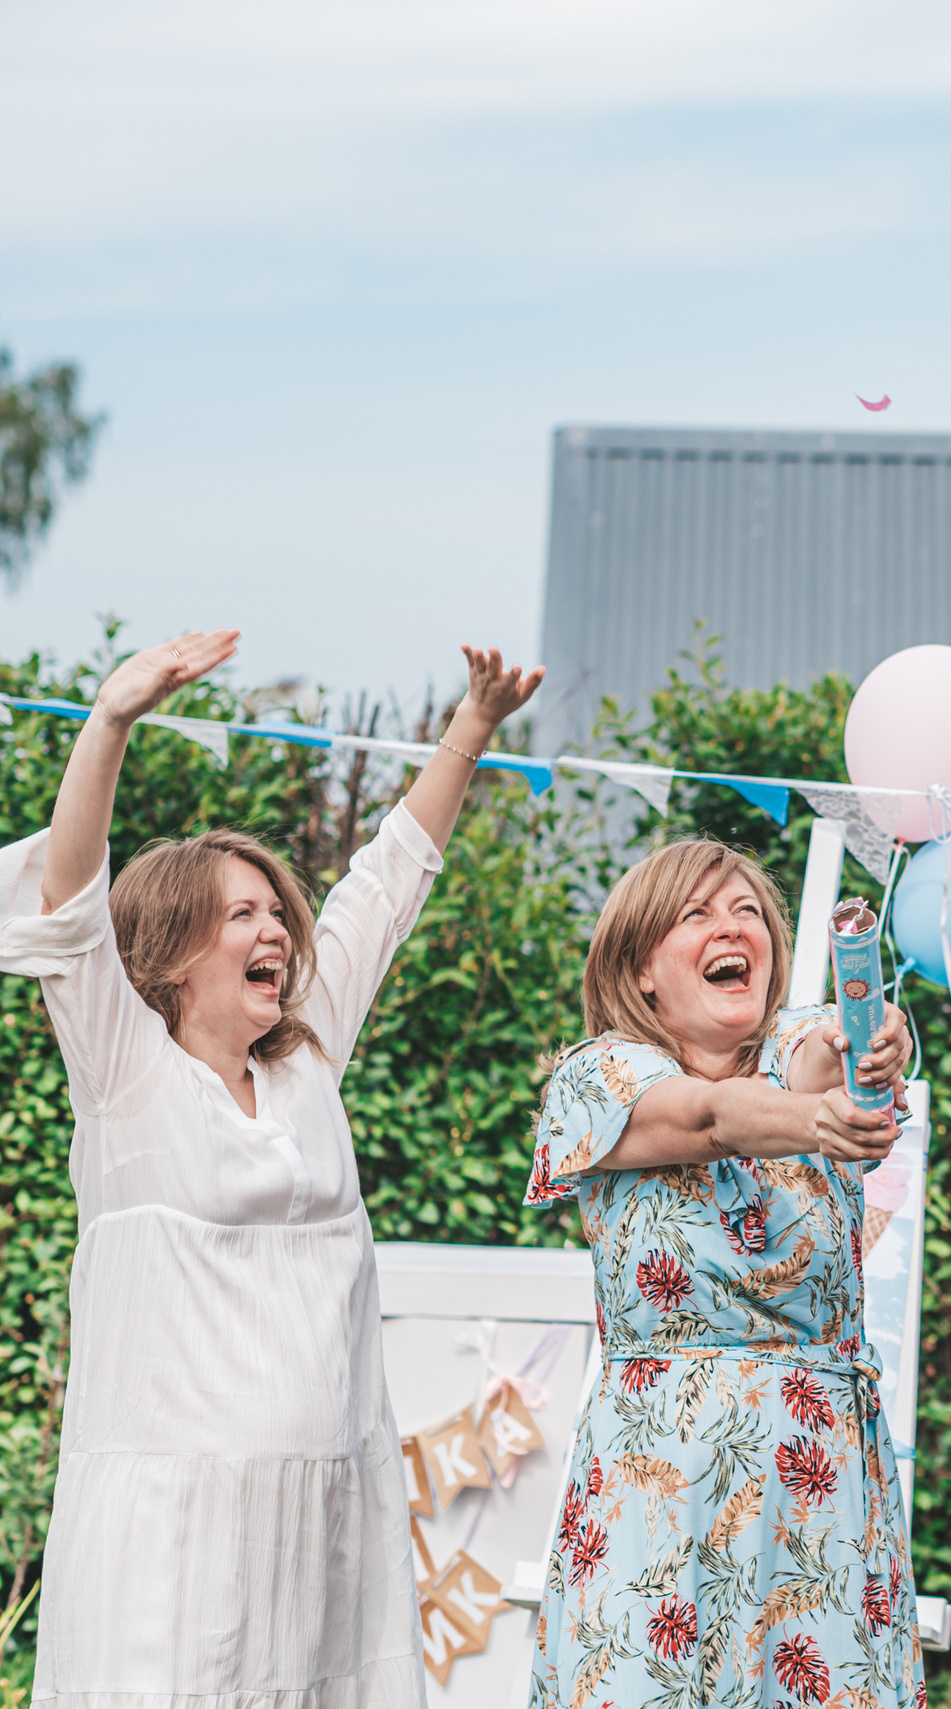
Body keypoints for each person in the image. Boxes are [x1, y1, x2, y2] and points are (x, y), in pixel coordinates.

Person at [0, 629, 542, 1709]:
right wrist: (111, 718)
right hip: (173, 1526)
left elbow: (384, 888)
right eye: (239, 914)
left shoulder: (305, 1062)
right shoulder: (125, 1075)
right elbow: (66, 899)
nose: (275, 932)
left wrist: (471, 727)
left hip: (327, 1514)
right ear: (167, 951)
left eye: (276, 914)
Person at [524, 838, 924, 1709]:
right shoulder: (599, 1076)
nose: (732, 925)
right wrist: (823, 1117)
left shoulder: (794, 1048)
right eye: (697, 913)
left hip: (815, 1471)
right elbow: (708, 1119)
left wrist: (866, 1050)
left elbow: (821, 1055)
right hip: (662, 1471)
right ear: (641, 973)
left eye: (748, 911)